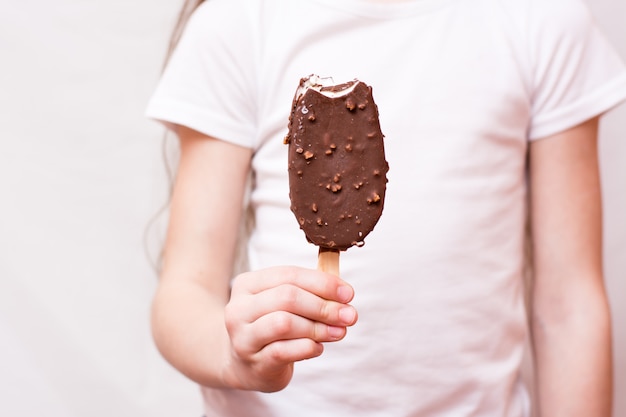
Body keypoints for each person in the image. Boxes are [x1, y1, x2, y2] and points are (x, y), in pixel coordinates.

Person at [146, 0, 626, 415]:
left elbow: (569, 306)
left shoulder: (541, 19)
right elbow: (184, 294)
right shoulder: (240, 21)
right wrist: (235, 357)